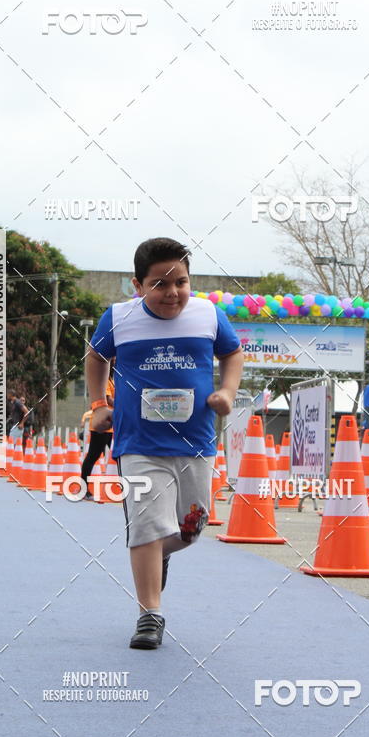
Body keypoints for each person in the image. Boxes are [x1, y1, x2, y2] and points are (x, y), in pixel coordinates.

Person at [86, 237, 244, 650]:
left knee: (192, 527)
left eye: (181, 282)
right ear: (137, 285)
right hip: (138, 442)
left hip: (195, 441)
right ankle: (149, 614)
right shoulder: (119, 318)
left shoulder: (208, 314)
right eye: (159, 284)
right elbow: (96, 357)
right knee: (144, 525)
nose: (172, 293)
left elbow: (232, 354)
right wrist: (99, 403)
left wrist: (227, 392)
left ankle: (163, 552)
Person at [80, 360, 115, 498]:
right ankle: (83, 489)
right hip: (101, 424)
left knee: (117, 457)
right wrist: (123, 405)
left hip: (110, 425)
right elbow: (107, 399)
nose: (116, 362)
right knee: (93, 456)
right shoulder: (104, 378)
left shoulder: (111, 379)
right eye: (113, 360)